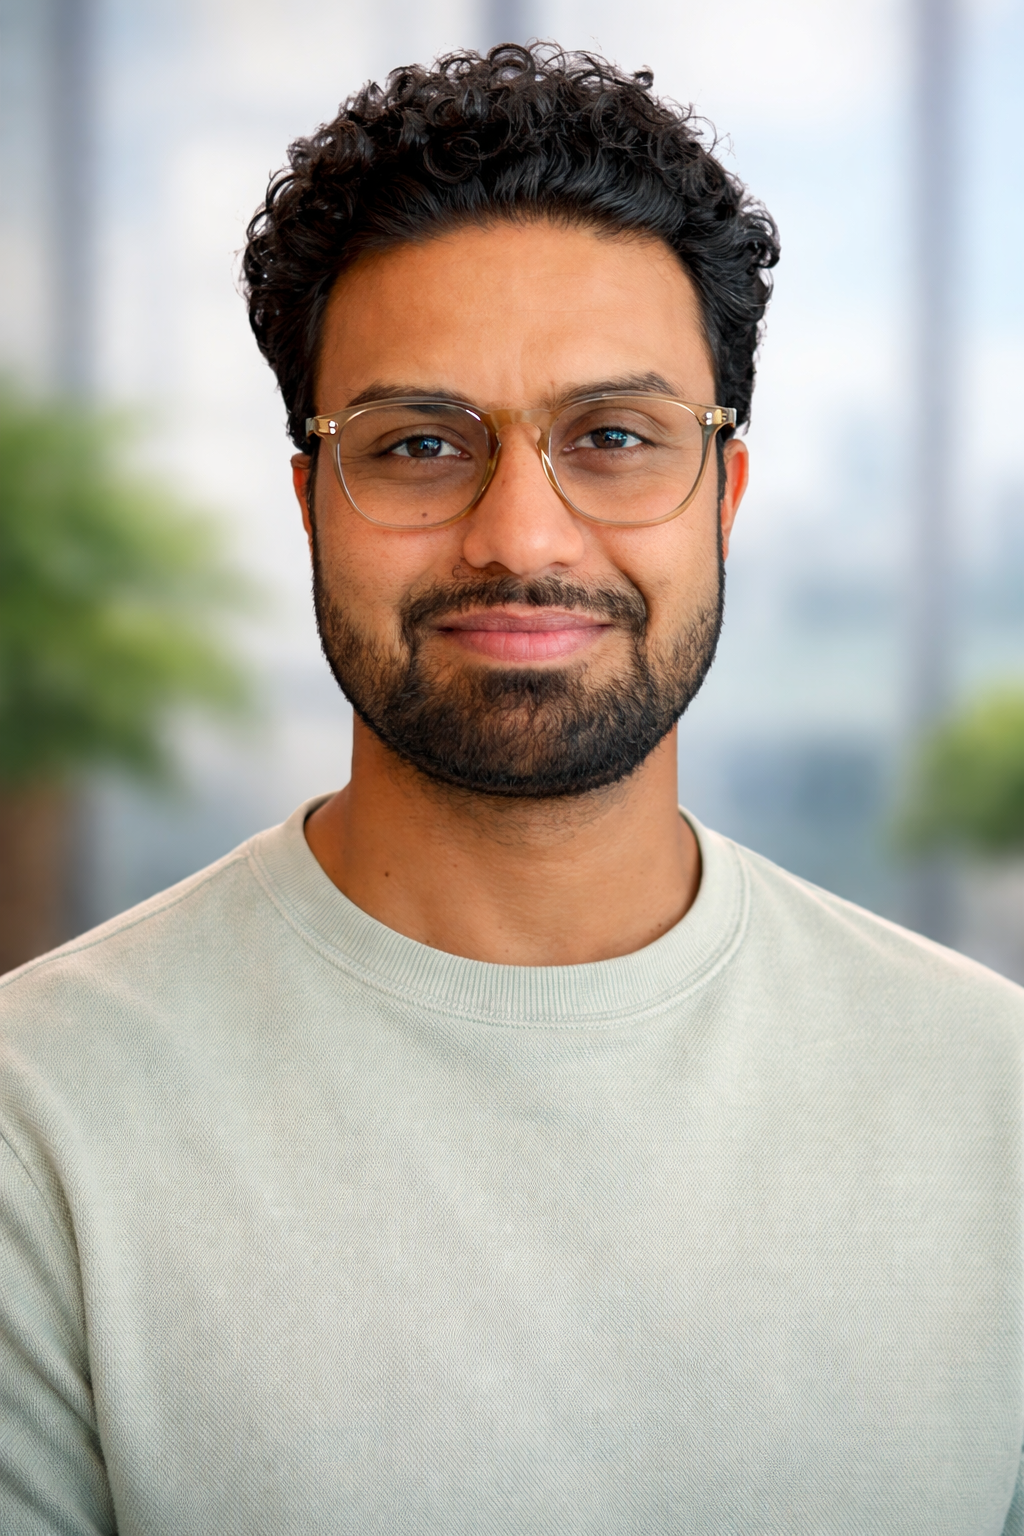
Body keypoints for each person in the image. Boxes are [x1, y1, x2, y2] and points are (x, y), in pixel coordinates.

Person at [0, 44, 1021, 1536]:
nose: (518, 534)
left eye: (613, 438)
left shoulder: (996, 1098)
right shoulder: (41, 1119)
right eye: (419, 445)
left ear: (723, 496)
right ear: (310, 502)